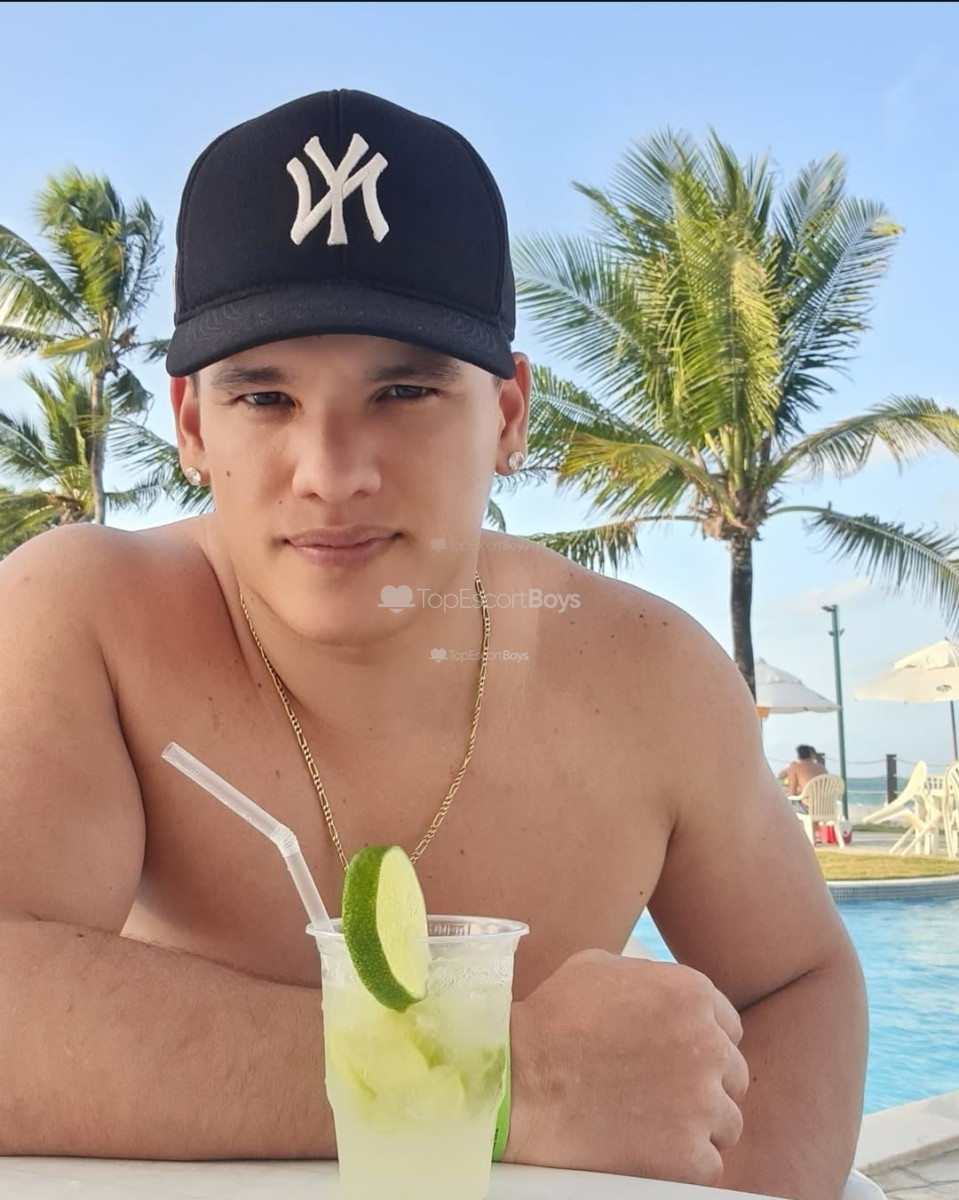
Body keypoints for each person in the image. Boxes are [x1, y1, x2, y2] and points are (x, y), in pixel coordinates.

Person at [0, 90, 866, 1197]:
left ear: (506, 415)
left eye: (403, 389)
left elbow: (797, 982)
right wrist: (505, 1077)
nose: (331, 473)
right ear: (190, 423)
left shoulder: (649, 680)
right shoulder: (84, 618)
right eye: (263, 397)